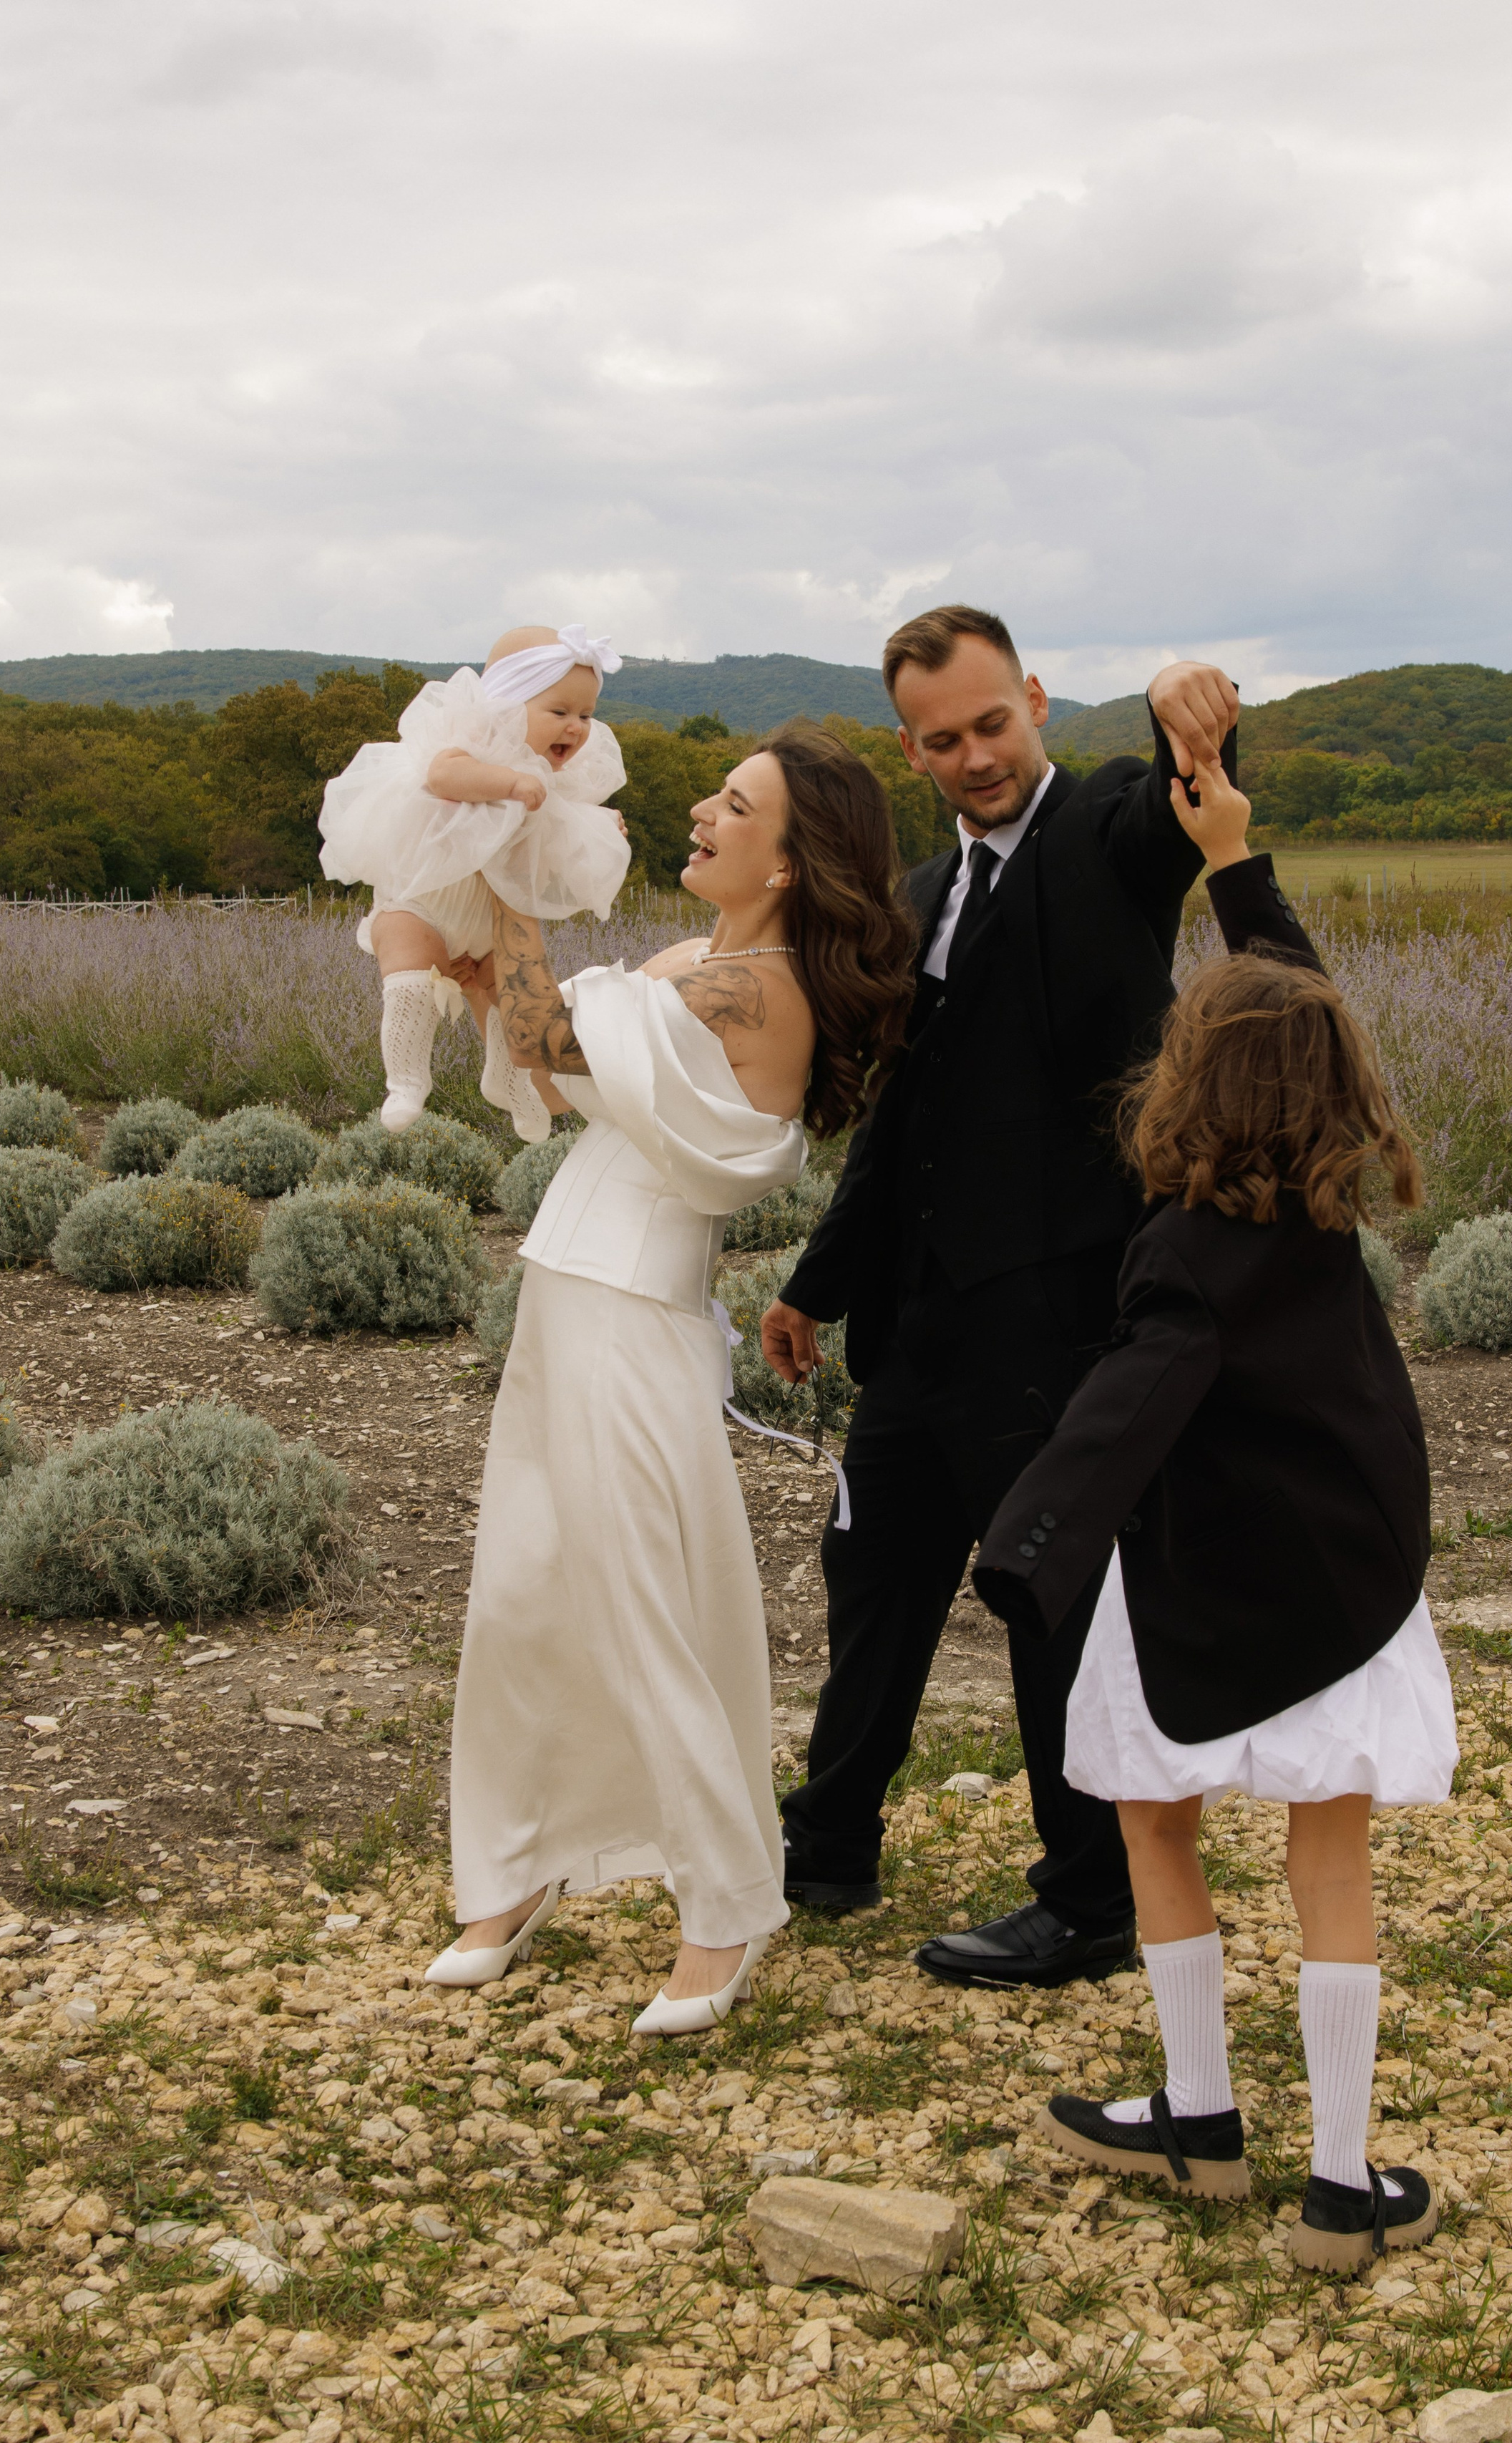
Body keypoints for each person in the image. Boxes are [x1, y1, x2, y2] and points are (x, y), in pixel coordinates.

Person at [764, 603, 1316, 1991]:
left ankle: (1086, 1900)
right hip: (923, 1320)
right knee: (872, 1577)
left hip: (1065, 1318)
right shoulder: (919, 896)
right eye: (942, 739)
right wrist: (818, 1283)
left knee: (1052, 1607)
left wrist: (1193, 702)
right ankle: (826, 1843)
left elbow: (1175, 792)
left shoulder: (1110, 839)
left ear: (1037, 703)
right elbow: (900, 1119)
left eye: (992, 724)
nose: (973, 756)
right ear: (911, 747)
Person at [971, 763, 1455, 2276]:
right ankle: (1333, 2181)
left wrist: (1021, 1545)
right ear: (1333, 1091)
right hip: (1342, 1574)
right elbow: (1293, 999)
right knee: (1328, 1855)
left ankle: (1198, 2112)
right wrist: (1236, 866)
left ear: (1178, 1085)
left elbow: (1122, 1405)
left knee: (1151, 1814)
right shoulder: (1325, 1213)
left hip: (1190, 1573)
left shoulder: (1178, 1250)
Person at [426, 722, 913, 2034]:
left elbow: (550, 1025)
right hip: (569, 1293)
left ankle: (725, 1904)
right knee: (526, 1587)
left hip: (635, 1315)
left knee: (645, 1608)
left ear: (795, 858)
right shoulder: (699, 963)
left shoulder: (754, 990)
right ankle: (516, 1866)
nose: (701, 810)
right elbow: (555, 1057)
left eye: (734, 803)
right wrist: (480, 960)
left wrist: (514, 852)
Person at [317, 623, 630, 1146]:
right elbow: (442, 776)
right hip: (425, 903)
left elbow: (561, 832)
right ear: (507, 706)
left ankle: (511, 1085)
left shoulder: (555, 782)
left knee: (507, 999)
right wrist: (509, 783)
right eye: (560, 712)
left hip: (487, 923)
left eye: (586, 716)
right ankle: (407, 1078)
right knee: (410, 969)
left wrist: (601, 824)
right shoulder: (472, 744)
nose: (576, 728)